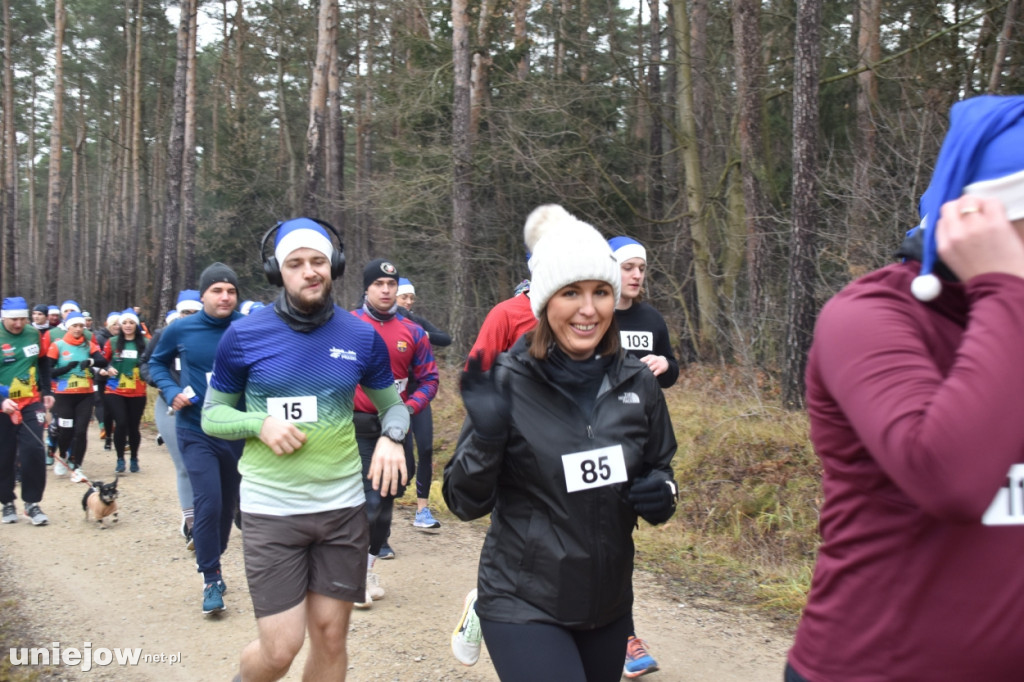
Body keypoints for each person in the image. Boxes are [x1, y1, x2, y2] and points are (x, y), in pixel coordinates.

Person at [786, 96, 1024, 682]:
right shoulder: (869, 316)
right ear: (985, 218)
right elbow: (951, 479)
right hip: (870, 668)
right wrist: (1005, 289)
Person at [443, 204, 678, 682]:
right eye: (571, 292)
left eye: (600, 292)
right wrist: (486, 435)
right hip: (522, 596)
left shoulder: (639, 382)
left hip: (607, 601)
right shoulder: (507, 381)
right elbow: (463, 502)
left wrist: (662, 495)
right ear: (545, 301)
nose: (588, 310)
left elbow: (660, 469)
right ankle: (482, 611)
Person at [200, 217, 410, 681]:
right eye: (295, 263)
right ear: (278, 271)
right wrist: (259, 423)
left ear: (333, 266)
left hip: (341, 509)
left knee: (331, 638)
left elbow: (393, 406)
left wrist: (393, 437)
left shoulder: (360, 336)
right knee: (280, 650)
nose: (309, 271)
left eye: (318, 261)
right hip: (271, 510)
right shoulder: (244, 335)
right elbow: (212, 414)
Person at [148, 263, 244, 615]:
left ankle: (213, 557)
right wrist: (171, 390)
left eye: (231, 291)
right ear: (202, 294)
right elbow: (156, 363)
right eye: (217, 290)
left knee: (227, 505)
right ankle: (210, 578)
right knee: (209, 501)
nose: (224, 296)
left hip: (236, 431)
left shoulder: (247, 329)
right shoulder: (181, 329)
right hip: (195, 428)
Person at [607, 234, 680, 678]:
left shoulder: (651, 318)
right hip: (585, 440)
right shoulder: (588, 314)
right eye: (628, 267)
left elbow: (670, 367)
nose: (636, 276)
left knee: (616, 540)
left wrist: (664, 366)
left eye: (641, 269)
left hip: (637, 443)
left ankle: (623, 636)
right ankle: (503, 603)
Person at [351, 259, 438, 605]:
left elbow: (429, 379)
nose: (386, 290)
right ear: (367, 288)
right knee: (369, 502)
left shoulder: (413, 331)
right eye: (379, 284)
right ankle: (355, 572)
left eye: (391, 284)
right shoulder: (347, 325)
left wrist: (408, 408)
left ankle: (367, 565)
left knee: (386, 501)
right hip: (354, 428)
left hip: (395, 428)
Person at [394, 277, 451, 536]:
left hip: (421, 394)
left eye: (411, 299)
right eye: (404, 297)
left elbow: (446, 338)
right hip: (394, 397)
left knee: (426, 448)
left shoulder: (416, 322)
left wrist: (423, 334)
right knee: (406, 458)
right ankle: (390, 495)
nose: (408, 302)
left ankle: (422, 511)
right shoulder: (383, 322)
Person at [0, 297, 54, 525]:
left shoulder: (33, 334)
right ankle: (6, 502)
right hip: (3, 403)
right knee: (5, 455)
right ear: (4, 318)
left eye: (23, 319)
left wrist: (47, 389)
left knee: (33, 449)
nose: (19, 324)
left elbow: (42, 362)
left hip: (30, 401)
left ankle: (32, 503)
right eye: (14, 320)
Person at [44, 310, 107, 482]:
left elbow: (103, 361)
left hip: (85, 395)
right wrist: (65, 369)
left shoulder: (88, 345)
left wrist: (91, 362)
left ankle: (77, 466)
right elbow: (48, 370)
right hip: (64, 396)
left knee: (81, 432)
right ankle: (63, 455)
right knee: (66, 431)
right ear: (67, 327)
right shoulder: (57, 345)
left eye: (81, 326)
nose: (78, 329)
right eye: (74, 326)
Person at [99, 309, 148, 473]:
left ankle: (134, 457)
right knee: (121, 423)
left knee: (133, 426)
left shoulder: (145, 344)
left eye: (131, 323)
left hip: (137, 391)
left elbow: (153, 363)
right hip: (115, 390)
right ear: (120, 325)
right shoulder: (112, 342)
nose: (128, 326)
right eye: (125, 323)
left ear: (136, 325)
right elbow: (101, 362)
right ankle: (120, 459)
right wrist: (107, 369)